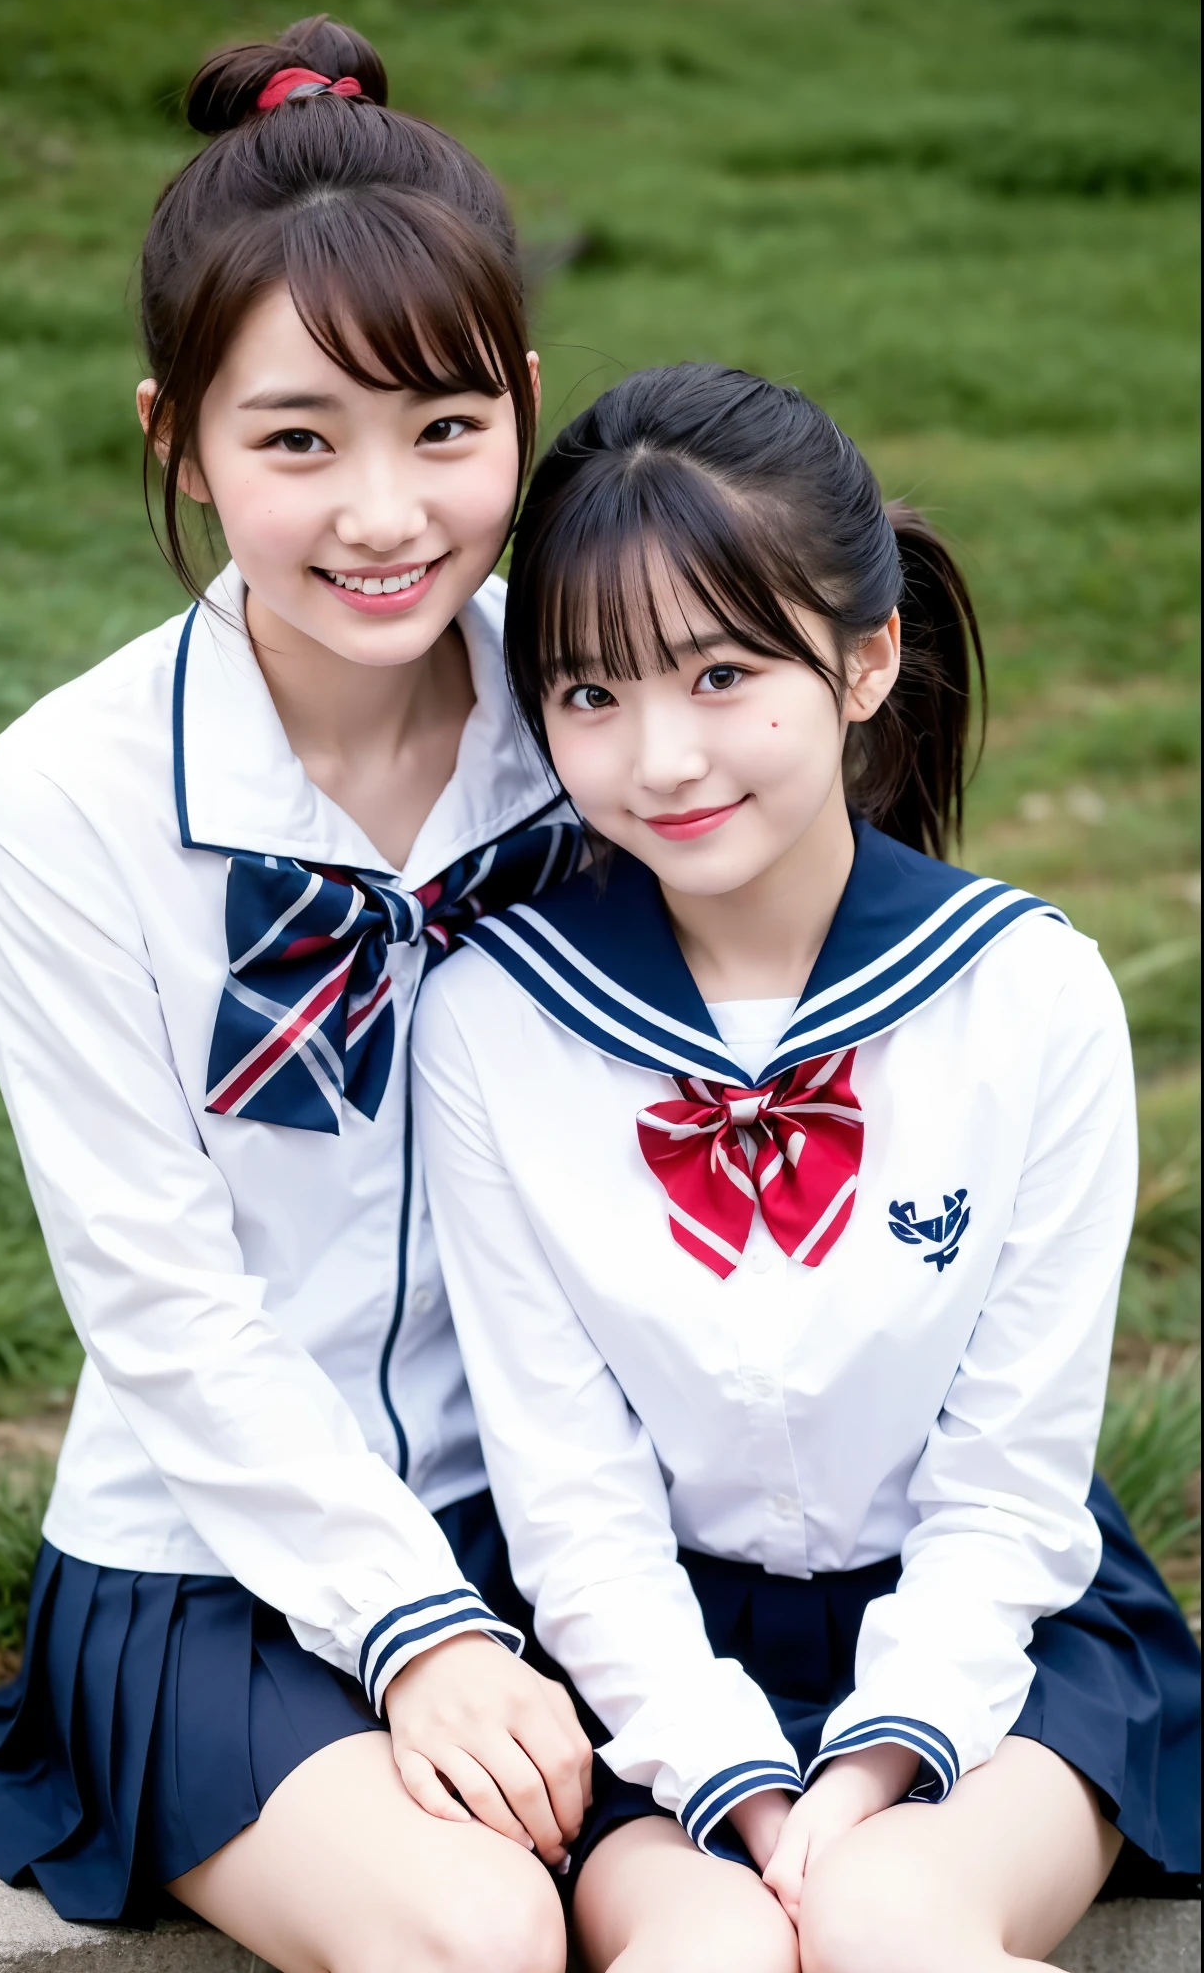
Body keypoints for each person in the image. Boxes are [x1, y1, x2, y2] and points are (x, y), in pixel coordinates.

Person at [0, 14, 592, 1973]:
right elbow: (159, 1302)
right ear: (179, 444)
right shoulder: (68, 792)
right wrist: (418, 1629)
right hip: (211, 1549)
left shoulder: (598, 721)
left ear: (524, 407)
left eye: (444, 429)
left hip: (574, 1515)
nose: (383, 514)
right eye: (297, 438)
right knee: (474, 1935)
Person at [412, 365, 1201, 1973]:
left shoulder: (1029, 996)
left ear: (867, 658)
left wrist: (881, 1756)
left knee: (893, 1925)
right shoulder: (494, 1022)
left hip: (1001, 1630)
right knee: (706, 1954)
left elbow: (1009, 1474)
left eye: (720, 675)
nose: (662, 758)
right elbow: (566, 1490)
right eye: (589, 695)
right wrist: (736, 1783)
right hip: (634, 1660)